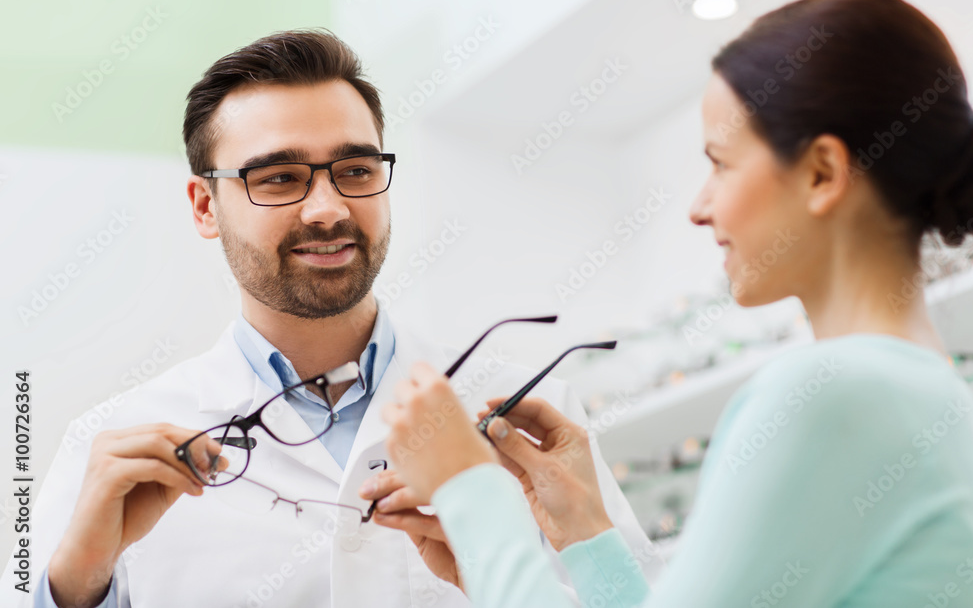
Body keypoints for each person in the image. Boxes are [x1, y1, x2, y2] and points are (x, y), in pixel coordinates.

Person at [375, 0, 973, 607]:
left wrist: (470, 491)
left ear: (822, 174)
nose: (700, 208)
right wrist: (585, 536)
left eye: (721, 164)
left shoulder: (833, 394)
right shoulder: (923, 390)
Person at [0, 30, 658, 608]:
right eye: (280, 178)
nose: (327, 207)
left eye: (354, 169)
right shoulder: (110, 443)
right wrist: (73, 588)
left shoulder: (530, 417)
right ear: (205, 206)